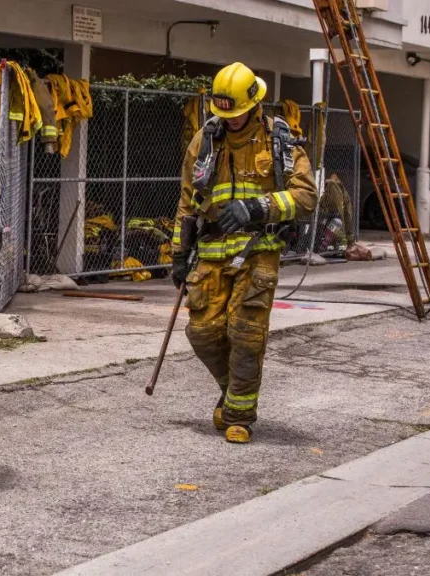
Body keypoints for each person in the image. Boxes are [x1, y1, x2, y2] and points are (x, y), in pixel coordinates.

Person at [172, 62, 318, 444]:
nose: (232, 121)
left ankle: (239, 414)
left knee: (246, 335)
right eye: (225, 114)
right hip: (211, 252)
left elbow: (306, 196)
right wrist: (177, 251)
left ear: (255, 104)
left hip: (259, 250)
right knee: (202, 333)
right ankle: (232, 388)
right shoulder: (204, 141)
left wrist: (259, 209)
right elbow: (187, 200)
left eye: (237, 114)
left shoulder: (279, 140)